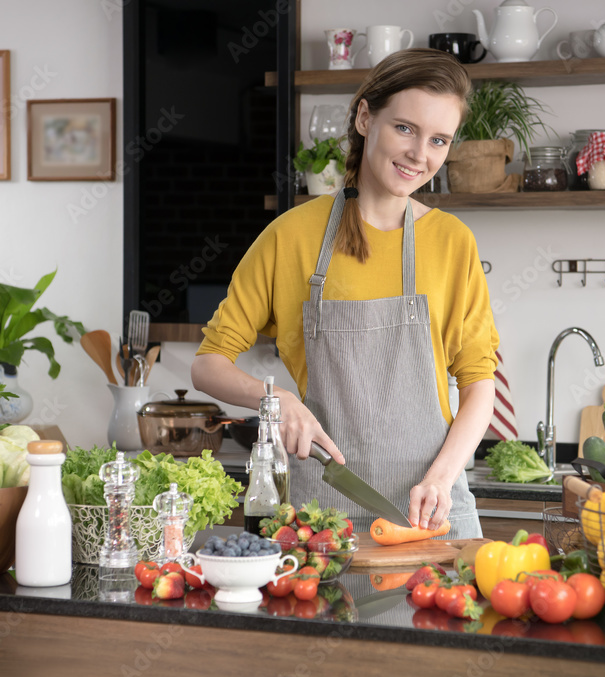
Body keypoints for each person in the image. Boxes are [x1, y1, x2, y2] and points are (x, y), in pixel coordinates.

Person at [191, 48, 498, 539]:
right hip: (324, 523)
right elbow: (207, 365)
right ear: (364, 117)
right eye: (405, 128)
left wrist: (441, 478)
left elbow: (480, 383)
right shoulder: (290, 236)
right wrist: (277, 400)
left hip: (434, 514)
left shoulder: (453, 241)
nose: (420, 154)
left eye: (438, 139)